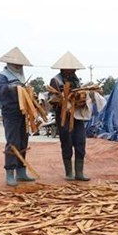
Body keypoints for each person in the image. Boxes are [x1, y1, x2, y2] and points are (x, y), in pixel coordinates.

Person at [0, 46, 35, 187]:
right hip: (10, 112)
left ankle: (21, 171)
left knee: (23, 141)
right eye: (17, 64)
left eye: (20, 65)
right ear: (10, 64)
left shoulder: (21, 76)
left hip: (23, 112)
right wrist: (11, 87)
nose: (19, 67)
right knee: (13, 142)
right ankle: (10, 172)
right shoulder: (3, 76)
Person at [49, 51, 89, 181]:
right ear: (64, 69)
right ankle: (69, 173)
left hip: (77, 115)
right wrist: (62, 100)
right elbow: (52, 98)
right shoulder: (56, 80)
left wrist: (82, 98)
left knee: (80, 141)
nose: (73, 71)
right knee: (67, 141)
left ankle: (79, 172)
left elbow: (82, 95)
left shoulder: (76, 80)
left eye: (74, 69)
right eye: (71, 69)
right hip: (63, 116)